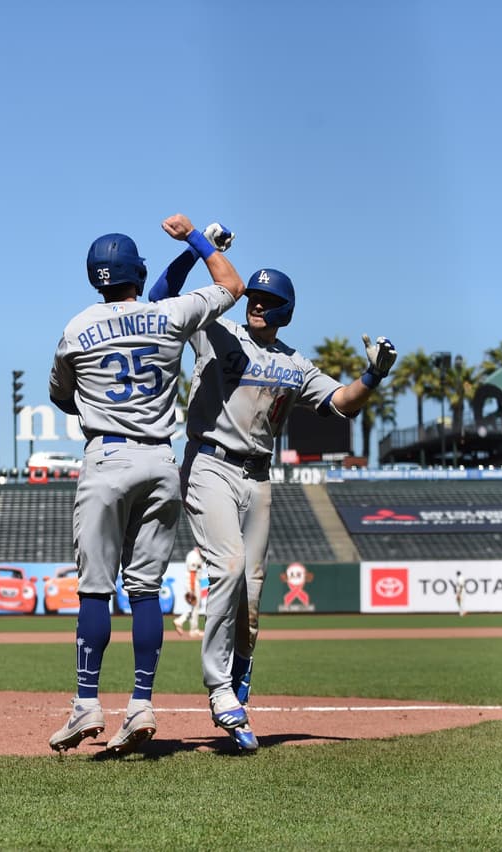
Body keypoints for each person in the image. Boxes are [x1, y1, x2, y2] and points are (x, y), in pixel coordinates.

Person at [149, 236, 397, 752]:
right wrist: (196, 249)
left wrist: (372, 376)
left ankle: (239, 686)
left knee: (253, 596)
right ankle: (219, 689)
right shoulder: (218, 333)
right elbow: (160, 304)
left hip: (259, 477)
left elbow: (342, 403)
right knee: (230, 567)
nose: (256, 304)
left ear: (284, 310)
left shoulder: (294, 364)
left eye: (266, 301)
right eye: (252, 297)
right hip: (209, 463)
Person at [46, 215, 245, 755]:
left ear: (94, 277)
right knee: (144, 591)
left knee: (94, 589)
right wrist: (197, 241)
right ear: (139, 271)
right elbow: (232, 285)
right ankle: (140, 704)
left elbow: (62, 395)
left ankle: (87, 703)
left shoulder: (75, 327)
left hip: (106, 456)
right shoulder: (168, 315)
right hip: (161, 459)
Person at [172, 546, 205, 638]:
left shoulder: (195, 555)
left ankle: (180, 621)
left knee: (195, 606)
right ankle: (193, 630)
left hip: (194, 582)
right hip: (193, 583)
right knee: (196, 606)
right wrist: (192, 589)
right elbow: (192, 573)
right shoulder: (194, 556)